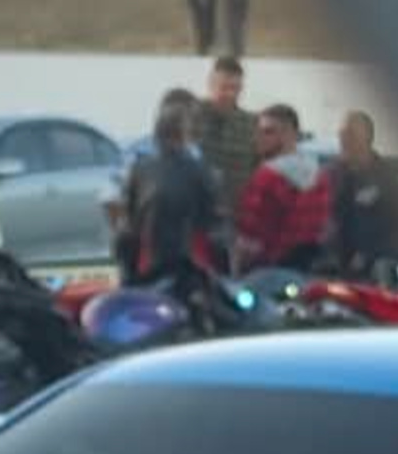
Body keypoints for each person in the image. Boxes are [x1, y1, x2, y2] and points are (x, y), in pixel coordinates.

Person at [121, 98, 218, 285]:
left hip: (148, 260)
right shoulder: (199, 170)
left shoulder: (140, 168)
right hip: (187, 260)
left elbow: (131, 215)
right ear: (185, 135)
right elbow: (210, 215)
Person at [233, 104, 333, 272]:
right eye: (258, 131)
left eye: (268, 132)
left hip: (265, 268)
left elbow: (252, 229)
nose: (258, 137)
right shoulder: (319, 176)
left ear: (290, 135)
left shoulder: (268, 176)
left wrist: (240, 263)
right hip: (305, 267)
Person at [331, 110, 398, 272]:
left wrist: (369, 254)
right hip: (330, 265)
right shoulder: (331, 175)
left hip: (373, 266)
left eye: (351, 134)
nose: (344, 140)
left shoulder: (388, 179)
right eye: (341, 134)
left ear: (367, 137)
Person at [189, 55, 255, 221]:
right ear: (211, 84)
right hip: (195, 215)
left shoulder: (251, 124)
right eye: (224, 88)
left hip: (235, 216)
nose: (230, 94)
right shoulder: (189, 118)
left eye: (236, 88)